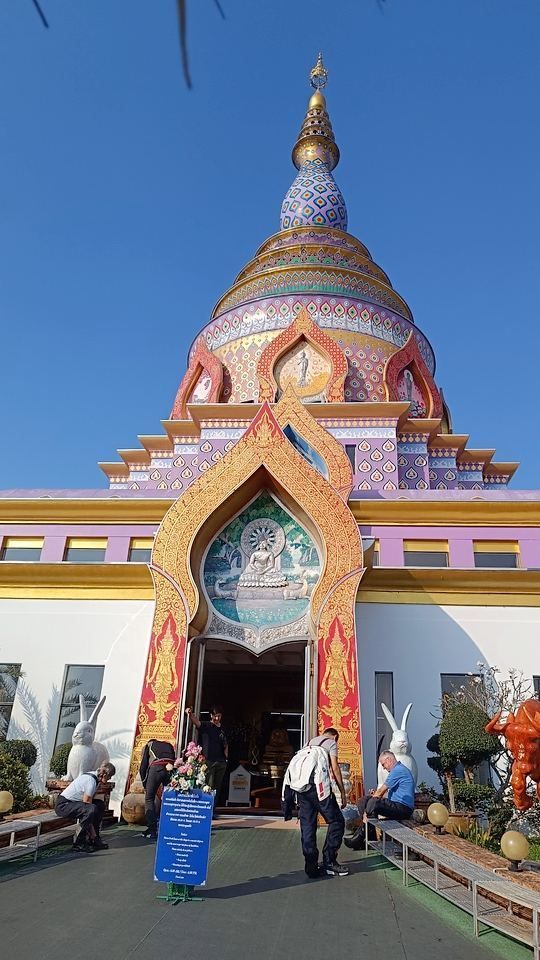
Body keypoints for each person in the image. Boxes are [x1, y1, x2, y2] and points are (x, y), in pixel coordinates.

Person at [283, 728, 349, 879]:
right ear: (335, 736)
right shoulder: (331, 743)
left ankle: (311, 867)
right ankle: (329, 862)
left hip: (302, 789)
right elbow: (335, 768)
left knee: (307, 825)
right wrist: (342, 793)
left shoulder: (309, 743)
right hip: (319, 789)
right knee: (337, 821)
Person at [344, 750, 415, 850]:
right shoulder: (397, 770)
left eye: (383, 764)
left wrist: (366, 812)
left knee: (373, 802)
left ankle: (360, 836)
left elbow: (381, 791)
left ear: (389, 760)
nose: (383, 768)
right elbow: (387, 794)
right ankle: (370, 837)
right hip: (397, 805)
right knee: (363, 801)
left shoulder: (398, 770)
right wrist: (373, 798)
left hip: (404, 808)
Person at [55, 762, 116, 853]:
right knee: (91, 809)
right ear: (104, 774)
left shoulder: (96, 779)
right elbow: (87, 806)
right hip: (63, 805)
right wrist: (93, 834)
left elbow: (90, 801)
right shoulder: (90, 780)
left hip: (74, 803)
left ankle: (93, 840)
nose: (110, 778)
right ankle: (79, 843)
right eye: (109, 776)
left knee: (99, 805)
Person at [185, 705, 228, 805]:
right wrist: (190, 714)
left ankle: (213, 809)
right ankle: (206, 808)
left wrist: (226, 758)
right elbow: (197, 722)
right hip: (209, 761)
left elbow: (226, 744)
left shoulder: (224, 728)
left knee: (217, 787)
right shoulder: (207, 726)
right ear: (211, 715)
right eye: (215, 716)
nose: (216, 718)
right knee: (209, 785)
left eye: (219, 716)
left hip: (221, 762)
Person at [139, 738, 176, 840]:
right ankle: (170, 827)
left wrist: (144, 783)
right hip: (170, 769)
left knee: (149, 798)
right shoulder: (168, 745)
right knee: (169, 798)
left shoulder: (149, 745)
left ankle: (152, 830)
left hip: (156, 768)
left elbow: (143, 766)